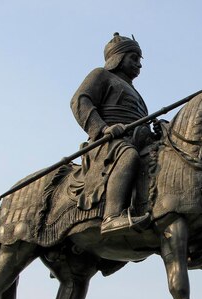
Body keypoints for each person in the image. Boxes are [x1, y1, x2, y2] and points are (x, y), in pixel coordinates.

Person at [71, 32, 152, 236]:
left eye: (139, 59)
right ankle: (112, 216)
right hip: (109, 144)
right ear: (118, 57)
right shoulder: (101, 75)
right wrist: (104, 128)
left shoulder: (136, 93)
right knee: (128, 156)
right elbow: (80, 100)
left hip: (136, 140)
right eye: (134, 58)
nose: (139, 65)